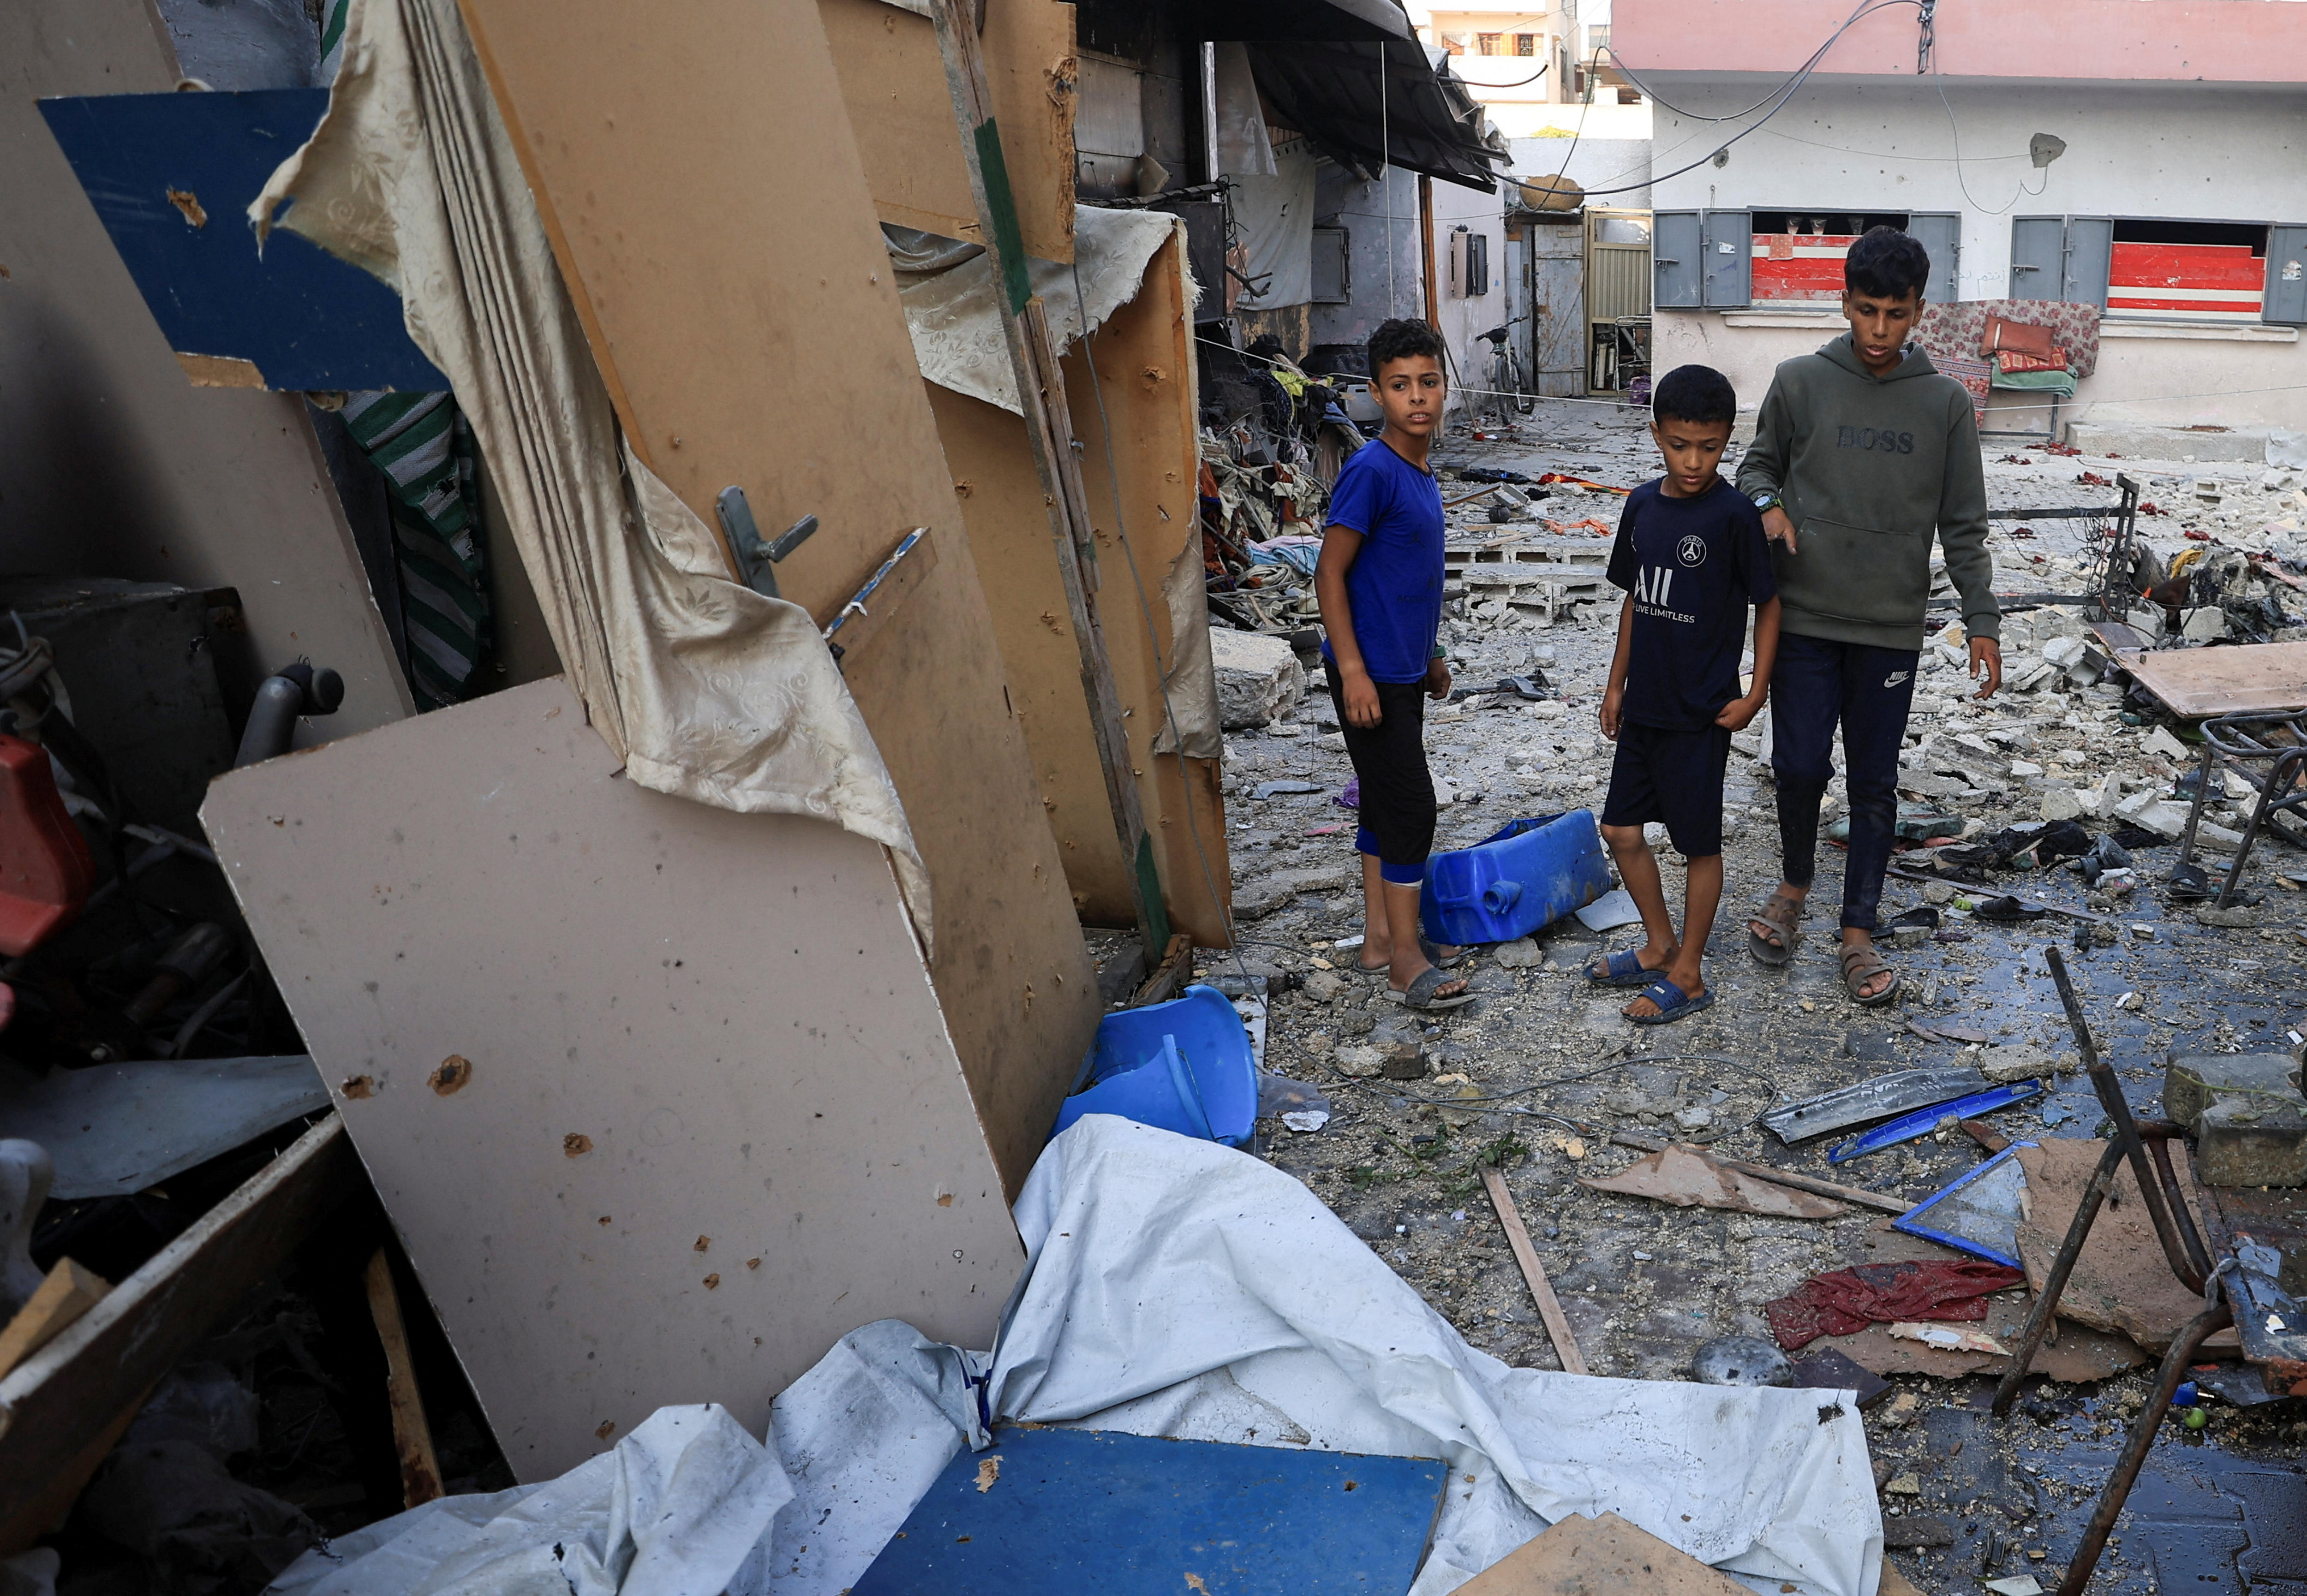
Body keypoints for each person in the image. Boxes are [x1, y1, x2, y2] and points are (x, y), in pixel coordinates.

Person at [1735, 225, 2002, 1006]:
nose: (1880, 332)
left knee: (1874, 784)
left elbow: (1964, 525)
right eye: (1867, 312)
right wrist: (1768, 507)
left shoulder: (1947, 405)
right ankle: (1792, 886)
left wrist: (1982, 619)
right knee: (1799, 767)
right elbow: (1757, 466)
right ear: (1843, 301)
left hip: (1889, 627)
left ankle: (1858, 927)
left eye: (1897, 314)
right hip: (1806, 618)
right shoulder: (1799, 382)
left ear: (1920, 310)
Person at [1588, 365, 1781, 1024]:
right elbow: (1636, 604)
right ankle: (1660, 943)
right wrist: (1615, 684)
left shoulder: (1732, 517)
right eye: (1679, 445)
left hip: (1702, 712)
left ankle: (1691, 974)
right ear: (1656, 435)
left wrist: (1756, 691)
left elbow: (1770, 603)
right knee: (1620, 828)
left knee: (1698, 844)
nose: (1693, 461)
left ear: (1728, 439)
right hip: (1645, 702)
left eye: (1709, 446)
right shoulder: (1641, 506)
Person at [1313, 318, 1470, 1011]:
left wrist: (1431, 655)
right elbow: (1330, 573)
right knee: (1412, 808)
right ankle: (1408, 960)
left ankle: (1382, 938)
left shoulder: (1421, 470)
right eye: (1401, 386)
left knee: (1382, 800)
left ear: (1444, 388)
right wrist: (1351, 670)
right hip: (1368, 672)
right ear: (1376, 393)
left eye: (1429, 383)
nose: (1418, 398)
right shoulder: (1372, 471)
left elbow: (1417, 575)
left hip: (1402, 670)